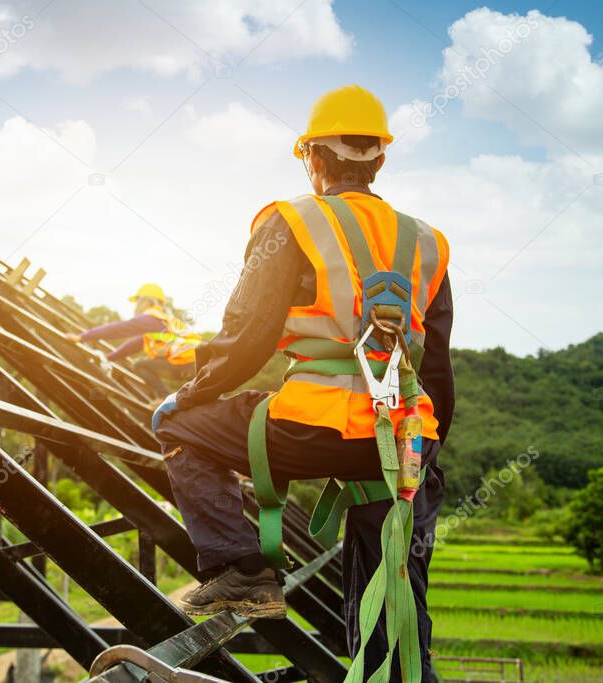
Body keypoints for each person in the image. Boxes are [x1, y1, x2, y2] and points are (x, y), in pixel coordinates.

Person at [151, 85, 453, 682]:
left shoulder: (292, 220)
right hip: (402, 438)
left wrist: (187, 396)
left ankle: (243, 571)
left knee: (176, 425)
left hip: (312, 427)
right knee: (396, 599)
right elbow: (437, 365)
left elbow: (247, 339)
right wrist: (425, 450)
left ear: (312, 158)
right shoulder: (427, 241)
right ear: (380, 161)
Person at [66, 283, 200, 396]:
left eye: (137, 302)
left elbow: (118, 329)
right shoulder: (162, 321)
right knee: (148, 362)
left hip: (188, 363)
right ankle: (168, 401)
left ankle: (163, 399)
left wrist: (81, 337)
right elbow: (134, 345)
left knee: (140, 365)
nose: (135, 306)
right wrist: (109, 358)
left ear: (146, 301)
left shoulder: (150, 318)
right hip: (197, 364)